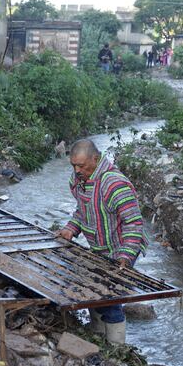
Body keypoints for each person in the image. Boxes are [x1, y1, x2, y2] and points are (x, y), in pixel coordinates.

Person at [57, 139, 148, 344]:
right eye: (73, 165)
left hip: (121, 247)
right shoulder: (79, 180)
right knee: (93, 289)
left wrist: (125, 256)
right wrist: (71, 229)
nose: (77, 170)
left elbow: (133, 223)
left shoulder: (115, 184)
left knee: (111, 298)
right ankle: (97, 337)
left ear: (95, 159)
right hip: (98, 247)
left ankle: (117, 347)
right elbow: (83, 210)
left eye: (81, 165)